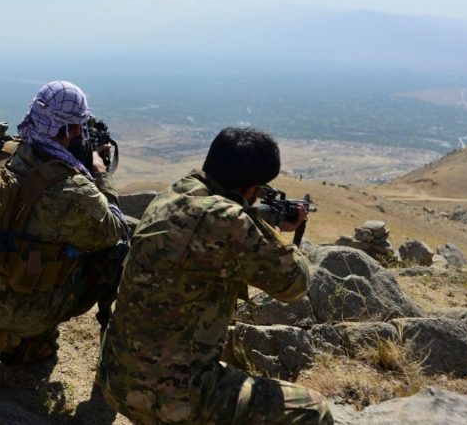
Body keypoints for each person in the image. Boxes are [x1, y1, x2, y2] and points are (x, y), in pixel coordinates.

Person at [96, 127, 333, 424]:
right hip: (168, 398)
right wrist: (276, 232)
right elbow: (295, 284)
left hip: (115, 379)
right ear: (250, 190)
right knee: (315, 410)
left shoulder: (172, 194)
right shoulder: (230, 222)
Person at [0, 80, 129, 396]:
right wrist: (100, 173)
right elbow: (114, 230)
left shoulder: (5, 154)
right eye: (78, 128)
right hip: (33, 306)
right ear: (72, 131)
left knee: (41, 352)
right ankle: (111, 365)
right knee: (119, 253)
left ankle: (0, 335)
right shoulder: (74, 192)